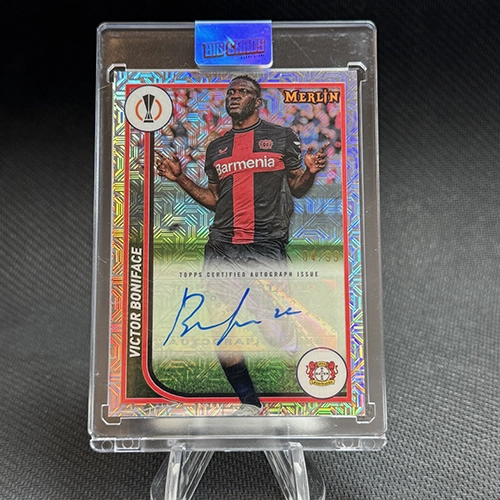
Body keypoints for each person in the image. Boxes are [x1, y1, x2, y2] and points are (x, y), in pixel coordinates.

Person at [156, 75, 329, 416]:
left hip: (265, 244)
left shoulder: (281, 137)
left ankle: (294, 348)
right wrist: (180, 178)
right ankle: (250, 403)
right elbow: (214, 198)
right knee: (221, 326)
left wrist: (308, 171)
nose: (234, 95)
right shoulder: (217, 148)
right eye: (231, 92)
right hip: (222, 246)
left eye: (243, 91)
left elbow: (296, 187)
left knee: (270, 326)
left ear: (257, 101)